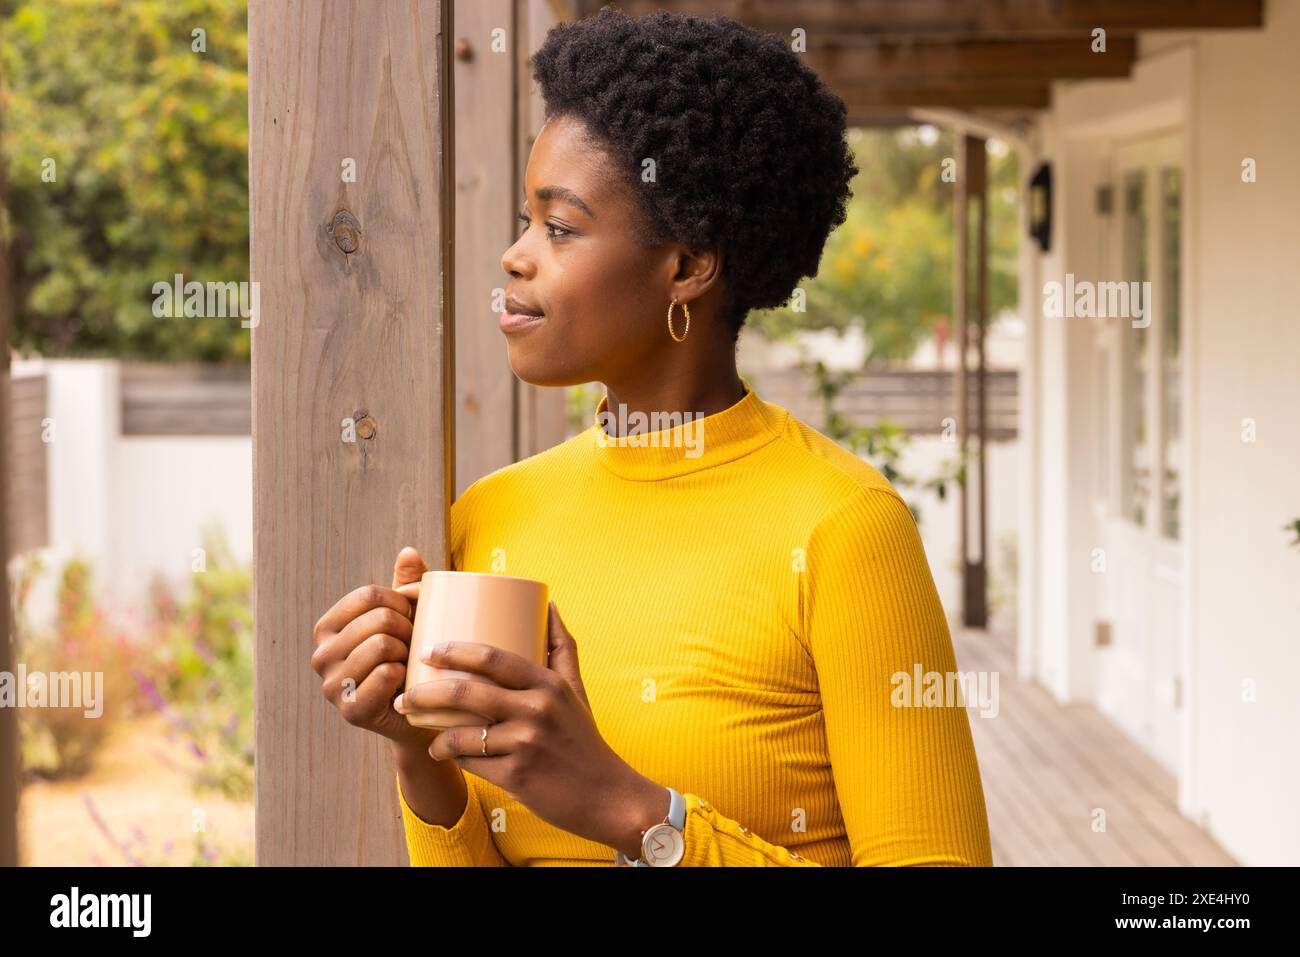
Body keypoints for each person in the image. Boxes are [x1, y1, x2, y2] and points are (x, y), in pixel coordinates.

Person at [311, 6, 993, 867]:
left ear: (687, 266)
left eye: (558, 228)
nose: (514, 257)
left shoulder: (845, 528)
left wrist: (630, 810)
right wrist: (417, 750)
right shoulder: (488, 519)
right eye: (525, 222)